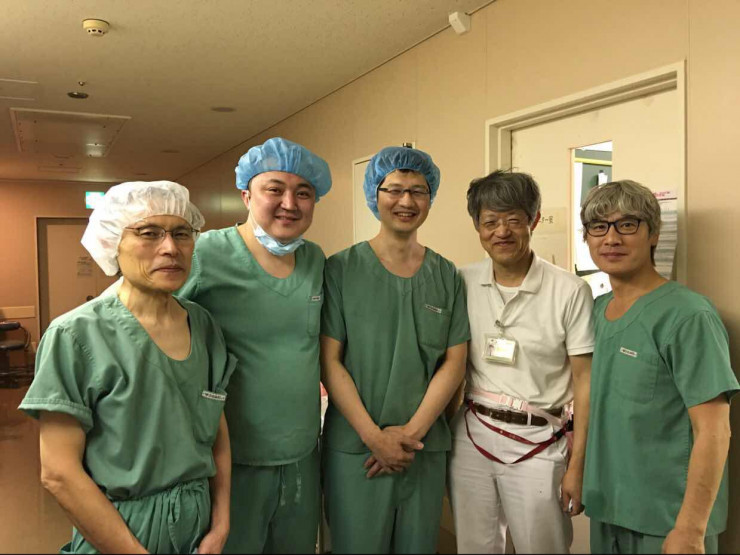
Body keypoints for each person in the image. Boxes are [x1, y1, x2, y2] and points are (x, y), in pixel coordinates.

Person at [19, 181, 234, 554]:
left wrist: (221, 524)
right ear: (112, 242)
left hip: (199, 529)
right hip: (120, 530)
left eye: (182, 233)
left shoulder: (202, 325)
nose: (170, 247)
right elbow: (59, 473)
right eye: (149, 233)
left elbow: (217, 432)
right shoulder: (75, 335)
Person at [177, 137, 331, 554]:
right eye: (274, 189)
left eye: (303, 193)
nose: (289, 204)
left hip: (301, 450)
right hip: (232, 457)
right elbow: (143, 317)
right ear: (246, 195)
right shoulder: (207, 254)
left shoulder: (314, 259)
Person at [320, 145, 469, 553]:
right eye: (395, 190)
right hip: (356, 448)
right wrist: (374, 437)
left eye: (418, 191)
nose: (406, 201)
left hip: (422, 448)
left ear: (430, 197)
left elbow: (454, 363)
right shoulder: (340, 269)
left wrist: (409, 436)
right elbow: (329, 361)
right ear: (375, 194)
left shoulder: (446, 275)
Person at [580, 180, 738, 554]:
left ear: (653, 234)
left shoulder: (688, 315)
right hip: (608, 507)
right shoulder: (597, 310)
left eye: (627, 224)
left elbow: (714, 429)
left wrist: (691, 528)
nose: (611, 238)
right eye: (599, 227)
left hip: (668, 520)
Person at [448, 170, 594, 554]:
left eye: (513, 220)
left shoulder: (570, 291)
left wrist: (579, 465)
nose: (502, 231)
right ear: (477, 226)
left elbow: (586, 381)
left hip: (540, 442)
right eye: (490, 222)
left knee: (542, 546)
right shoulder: (461, 281)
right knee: (475, 546)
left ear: (534, 220)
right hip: (473, 436)